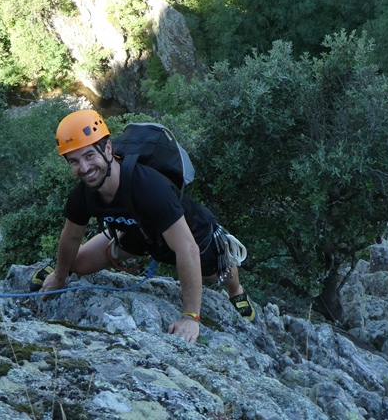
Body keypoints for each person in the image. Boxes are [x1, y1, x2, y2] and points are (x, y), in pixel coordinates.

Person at [39, 109, 256, 343]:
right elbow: (71, 237)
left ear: (108, 149)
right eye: (74, 161)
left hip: (193, 235)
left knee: (217, 271)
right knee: (78, 264)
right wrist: (60, 275)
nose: (84, 168)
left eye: (90, 155)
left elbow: (187, 249)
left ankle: (237, 292)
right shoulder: (83, 194)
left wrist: (191, 317)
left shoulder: (149, 188)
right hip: (139, 233)